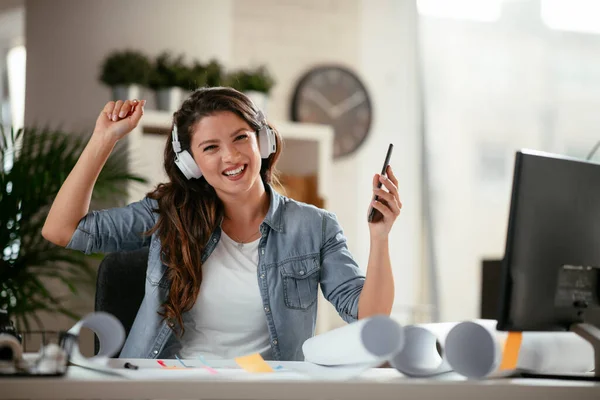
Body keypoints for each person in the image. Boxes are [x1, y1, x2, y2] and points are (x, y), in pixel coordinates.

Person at [42, 87, 402, 361]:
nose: (230, 156)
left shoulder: (314, 226)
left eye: (240, 138)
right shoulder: (168, 214)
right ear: (191, 164)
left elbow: (370, 315)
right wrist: (105, 138)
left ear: (262, 141)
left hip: (264, 388)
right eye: (210, 147)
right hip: (171, 387)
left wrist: (380, 235)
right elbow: (62, 230)